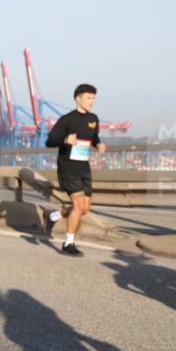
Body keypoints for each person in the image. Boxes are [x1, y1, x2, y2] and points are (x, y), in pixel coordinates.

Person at [45, 84, 106, 256]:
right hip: (68, 167)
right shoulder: (66, 119)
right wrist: (65, 139)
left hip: (83, 167)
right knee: (78, 205)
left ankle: (53, 216)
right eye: (88, 98)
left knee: (84, 209)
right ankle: (68, 243)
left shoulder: (94, 118)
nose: (91, 101)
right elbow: (49, 141)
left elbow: (93, 137)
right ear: (77, 98)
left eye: (93, 98)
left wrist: (98, 144)